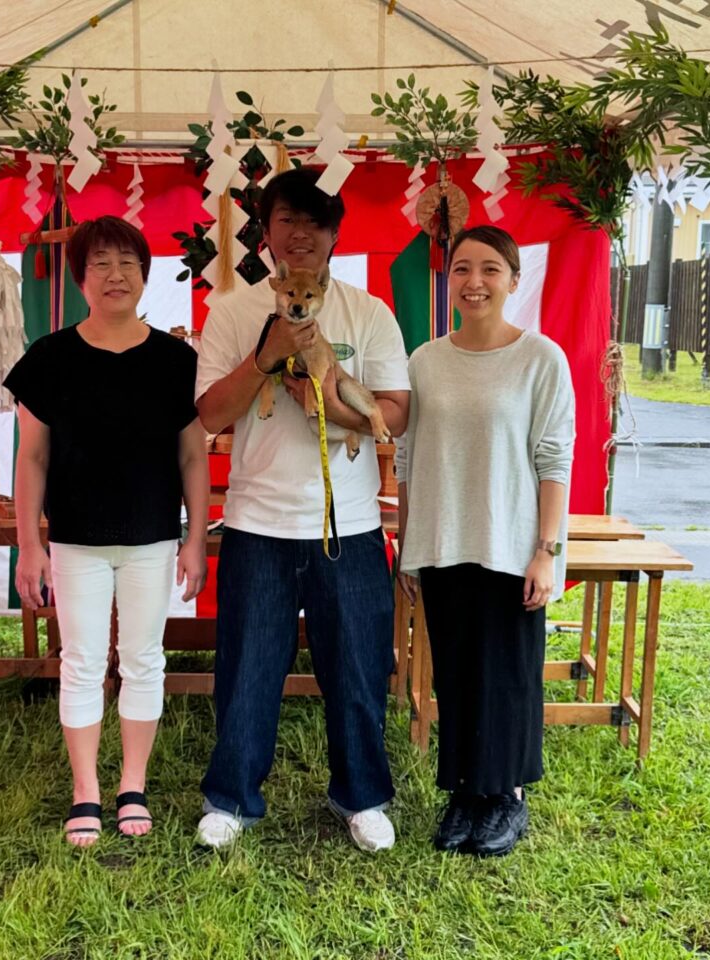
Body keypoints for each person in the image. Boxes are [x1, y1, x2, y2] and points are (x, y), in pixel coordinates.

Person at [193, 167, 410, 852]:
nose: (302, 236)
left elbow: (394, 414)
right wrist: (268, 358)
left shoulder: (367, 312)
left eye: (316, 224)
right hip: (258, 522)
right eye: (288, 220)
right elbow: (207, 413)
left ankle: (363, 798)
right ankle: (230, 797)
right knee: (249, 667)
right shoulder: (230, 310)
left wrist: (324, 398)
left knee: (357, 666)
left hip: (348, 524)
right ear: (267, 231)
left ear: (335, 235)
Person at [4, 216, 209, 846]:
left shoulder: (178, 361)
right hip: (74, 540)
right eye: (100, 264)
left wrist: (195, 539)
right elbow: (31, 457)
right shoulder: (49, 358)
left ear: (146, 275)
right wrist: (29, 543)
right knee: (83, 662)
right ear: (81, 279)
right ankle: (86, 790)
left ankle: (133, 786)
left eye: (127, 262)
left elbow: (192, 456)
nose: (115, 274)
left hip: (152, 537)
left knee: (145, 660)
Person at [395, 225, 575, 857]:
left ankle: (507, 797)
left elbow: (555, 459)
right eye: (463, 269)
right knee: (457, 673)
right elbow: (409, 458)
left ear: (513, 280)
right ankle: (465, 793)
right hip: (441, 540)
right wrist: (409, 541)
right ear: (449, 281)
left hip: (511, 543)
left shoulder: (540, 359)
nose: (475, 282)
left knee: (508, 674)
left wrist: (546, 550)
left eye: (490, 269)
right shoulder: (424, 359)